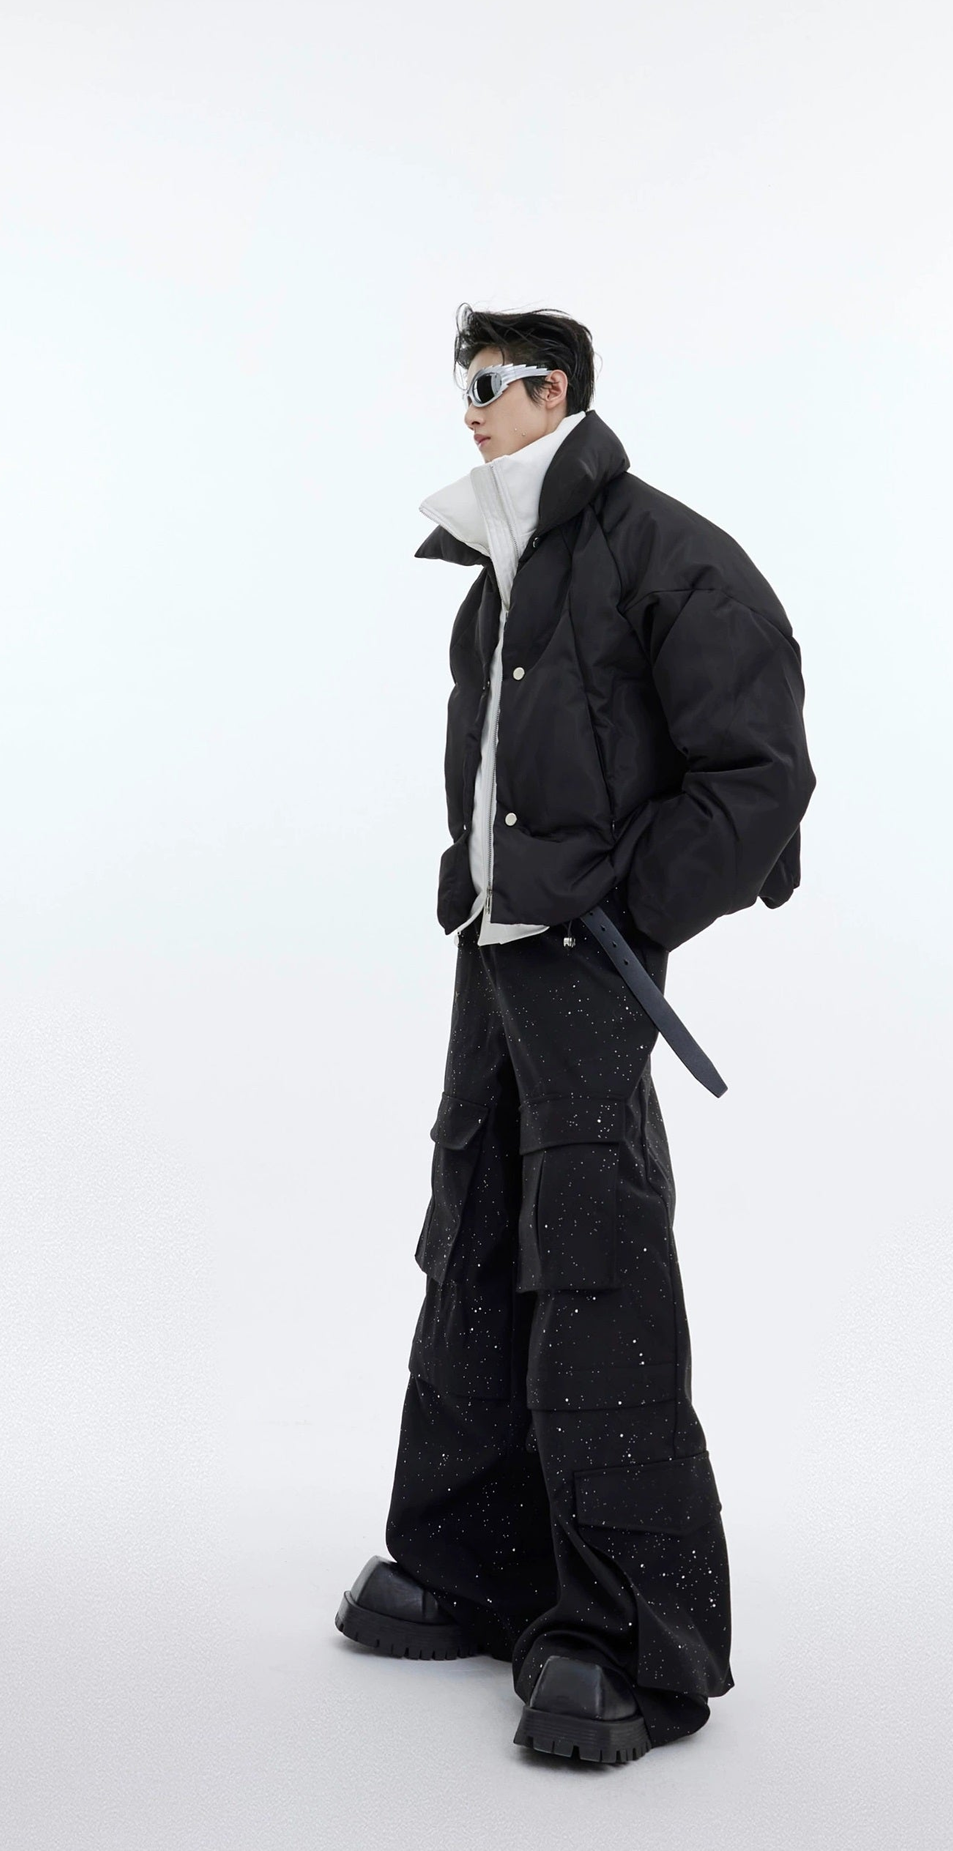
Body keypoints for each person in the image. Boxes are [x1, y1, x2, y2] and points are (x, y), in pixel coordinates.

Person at [335, 305, 816, 1765]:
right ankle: (474, 1566)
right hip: (498, 955)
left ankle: (626, 1634)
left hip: (587, 954)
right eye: (462, 383)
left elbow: (758, 777)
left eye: (493, 383)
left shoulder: (667, 554)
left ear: (557, 393)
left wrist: (624, 908)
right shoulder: (501, 569)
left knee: (593, 1261)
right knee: (474, 1233)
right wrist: (490, 895)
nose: (470, 407)